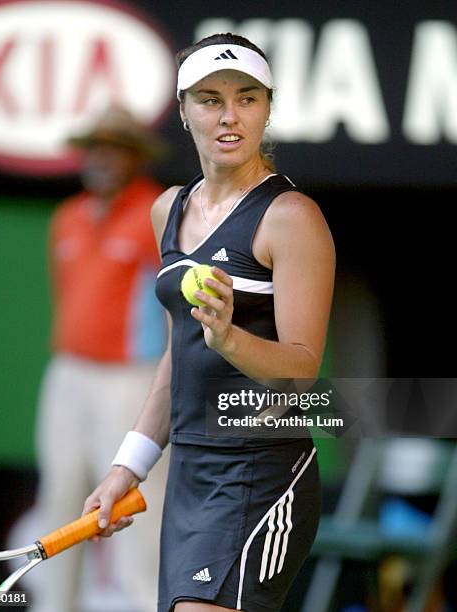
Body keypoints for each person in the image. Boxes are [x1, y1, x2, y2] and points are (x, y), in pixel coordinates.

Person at [83, 33, 336, 612]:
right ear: (182, 109)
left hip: (262, 471)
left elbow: (301, 372)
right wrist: (131, 466)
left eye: (247, 98)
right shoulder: (166, 209)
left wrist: (229, 338)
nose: (229, 116)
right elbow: (178, 358)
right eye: (209, 99)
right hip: (189, 476)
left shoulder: (291, 217)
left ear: (268, 107)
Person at [32, 106, 169, 612]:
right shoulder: (67, 216)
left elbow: (176, 303)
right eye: (96, 147)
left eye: (116, 148)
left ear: (135, 156)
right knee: (60, 500)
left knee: (136, 507)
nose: (103, 158)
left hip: (131, 379)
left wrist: (163, 383)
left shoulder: (156, 213)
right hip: (69, 374)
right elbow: (64, 297)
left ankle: (147, 604)